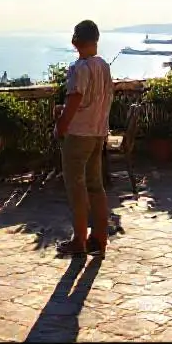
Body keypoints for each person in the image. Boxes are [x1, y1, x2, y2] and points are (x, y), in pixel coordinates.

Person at [53, 19, 114, 257]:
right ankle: (99, 237)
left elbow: (75, 98)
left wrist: (61, 126)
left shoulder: (79, 68)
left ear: (75, 41)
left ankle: (79, 240)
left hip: (79, 134)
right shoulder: (104, 66)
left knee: (76, 186)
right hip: (98, 132)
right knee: (95, 186)